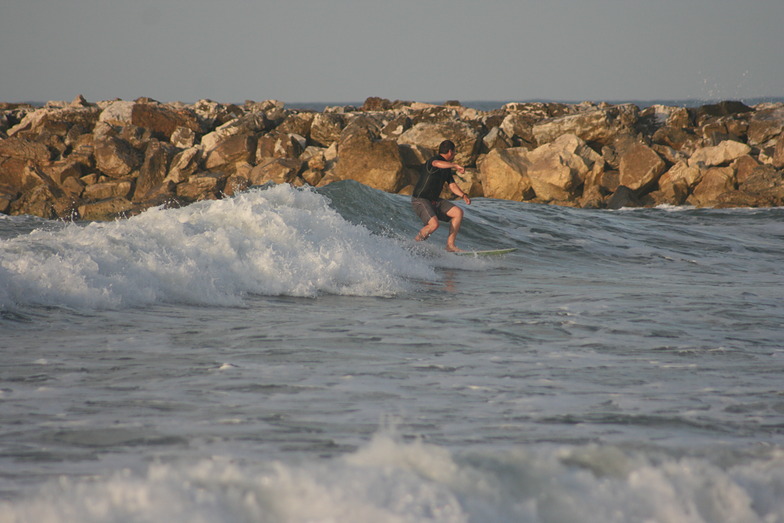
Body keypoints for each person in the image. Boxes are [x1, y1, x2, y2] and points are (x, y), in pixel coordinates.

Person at [411, 139, 471, 252]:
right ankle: (414, 245)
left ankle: (450, 245)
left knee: (458, 212)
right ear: (450, 152)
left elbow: (452, 186)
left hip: (434, 201)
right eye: (454, 153)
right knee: (434, 224)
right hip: (420, 199)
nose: (454, 155)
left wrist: (463, 195)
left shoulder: (447, 169)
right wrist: (455, 165)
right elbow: (437, 164)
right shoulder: (434, 160)